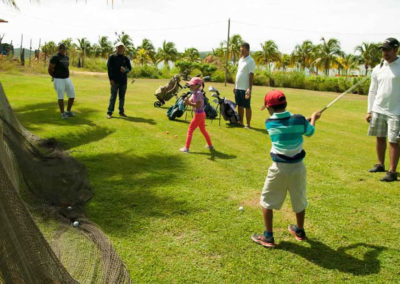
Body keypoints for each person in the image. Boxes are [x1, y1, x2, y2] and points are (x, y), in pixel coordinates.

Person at [251, 90, 321, 248]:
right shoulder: (299, 120)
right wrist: (313, 119)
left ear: (269, 108)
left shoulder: (269, 123)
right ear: (286, 104)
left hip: (279, 169)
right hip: (298, 168)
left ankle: (268, 237)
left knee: (266, 201)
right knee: (299, 200)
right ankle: (300, 231)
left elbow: (289, 126)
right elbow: (310, 131)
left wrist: (304, 122)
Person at [366, 37, 400, 182]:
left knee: (393, 141)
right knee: (380, 138)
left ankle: (392, 171)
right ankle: (380, 164)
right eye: (383, 50)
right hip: (378, 108)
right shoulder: (378, 68)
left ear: (395, 49)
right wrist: (369, 110)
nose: (384, 53)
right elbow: (372, 91)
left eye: (387, 49)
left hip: (396, 110)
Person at [179, 77, 214, 153]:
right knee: (203, 130)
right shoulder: (194, 93)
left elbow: (197, 105)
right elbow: (191, 101)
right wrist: (186, 102)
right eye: (190, 85)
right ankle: (210, 145)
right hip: (201, 114)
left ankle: (186, 148)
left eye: (192, 85)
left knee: (190, 130)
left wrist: (189, 103)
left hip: (199, 115)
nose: (190, 86)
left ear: (198, 85)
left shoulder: (198, 94)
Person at [48, 43, 76, 119]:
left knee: (72, 95)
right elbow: (50, 69)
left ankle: (68, 111)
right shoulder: (55, 57)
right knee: (61, 97)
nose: (63, 50)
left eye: (64, 49)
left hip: (67, 79)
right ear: (59, 49)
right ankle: (63, 114)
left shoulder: (67, 58)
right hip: (59, 79)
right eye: (61, 48)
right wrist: (54, 77)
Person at [107, 42, 132, 119]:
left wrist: (125, 70)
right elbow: (109, 69)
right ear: (116, 48)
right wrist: (111, 79)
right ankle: (109, 112)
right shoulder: (112, 57)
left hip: (123, 81)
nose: (120, 49)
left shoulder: (126, 58)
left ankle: (121, 112)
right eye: (119, 47)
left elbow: (129, 68)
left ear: (123, 49)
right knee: (113, 97)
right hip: (114, 81)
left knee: (122, 97)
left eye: (122, 47)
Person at [234, 42, 255, 128]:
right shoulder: (240, 60)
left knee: (247, 106)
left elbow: (251, 75)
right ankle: (240, 122)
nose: (241, 52)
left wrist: (249, 89)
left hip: (246, 88)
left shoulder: (250, 61)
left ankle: (248, 124)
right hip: (238, 87)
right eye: (240, 50)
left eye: (242, 50)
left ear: (247, 50)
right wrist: (235, 86)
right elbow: (238, 73)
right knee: (239, 105)